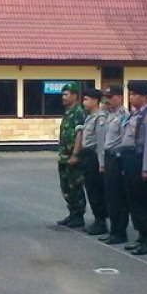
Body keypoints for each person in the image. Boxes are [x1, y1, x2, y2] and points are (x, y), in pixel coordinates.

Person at [118, 80, 147, 255]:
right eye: (131, 94)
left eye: (135, 94)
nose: (132, 97)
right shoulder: (133, 115)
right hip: (129, 159)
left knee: (143, 201)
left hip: (139, 159)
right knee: (133, 200)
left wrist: (146, 168)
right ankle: (141, 236)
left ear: (144, 97)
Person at [99, 86, 130, 245]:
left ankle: (120, 231)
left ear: (119, 97)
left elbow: (125, 140)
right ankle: (114, 230)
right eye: (106, 97)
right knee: (110, 197)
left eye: (110, 97)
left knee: (118, 198)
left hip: (118, 158)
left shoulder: (124, 115)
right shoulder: (107, 115)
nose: (107, 100)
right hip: (108, 158)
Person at [75, 88, 108, 235]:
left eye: (87, 99)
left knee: (96, 190)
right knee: (90, 189)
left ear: (95, 101)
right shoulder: (90, 117)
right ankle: (97, 219)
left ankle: (101, 222)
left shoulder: (100, 118)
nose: (84, 102)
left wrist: (101, 163)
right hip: (87, 155)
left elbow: (101, 142)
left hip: (94, 156)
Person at [56, 82, 87, 228]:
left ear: (74, 95)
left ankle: (78, 215)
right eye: (62, 94)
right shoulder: (68, 111)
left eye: (66, 94)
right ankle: (72, 213)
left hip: (73, 157)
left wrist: (75, 154)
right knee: (66, 187)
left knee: (75, 186)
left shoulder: (78, 112)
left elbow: (79, 134)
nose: (63, 97)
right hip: (64, 156)